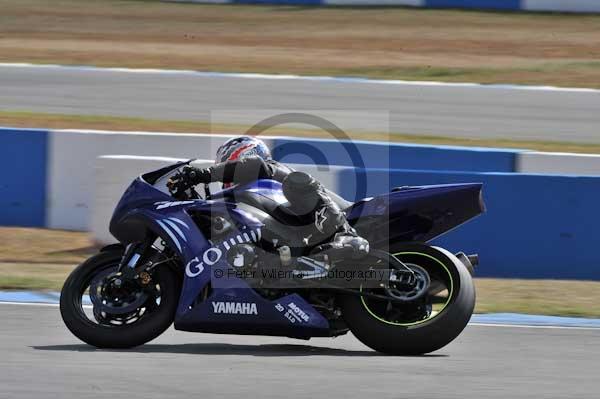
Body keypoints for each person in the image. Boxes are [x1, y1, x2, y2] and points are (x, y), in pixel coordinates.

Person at [167, 136, 369, 260]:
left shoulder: (271, 170)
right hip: (309, 241)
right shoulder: (253, 199)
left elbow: (255, 165)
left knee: (296, 182)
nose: (225, 173)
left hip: (352, 216)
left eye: (226, 165)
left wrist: (204, 174)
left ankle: (346, 235)